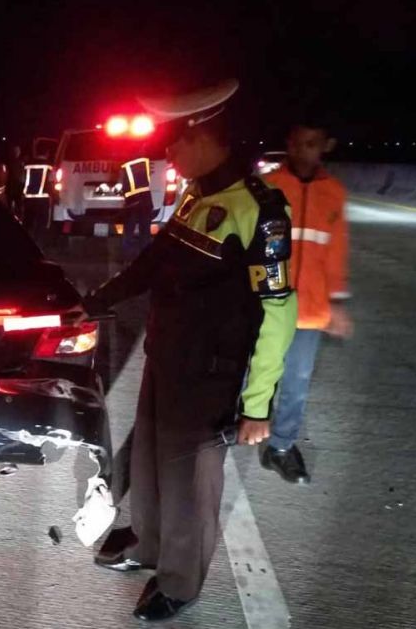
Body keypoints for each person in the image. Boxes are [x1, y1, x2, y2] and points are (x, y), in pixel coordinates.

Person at [82, 79, 297, 623]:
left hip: (211, 378)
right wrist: (97, 299)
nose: (170, 151)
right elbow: (154, 263)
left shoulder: (260, 211)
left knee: (190, 483)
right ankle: (148, 546)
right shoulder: (198, 196)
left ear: (210, 137)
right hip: (167, 359)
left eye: (178, 140)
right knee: (153, 465)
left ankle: (179, 580)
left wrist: (257, 404)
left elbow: (279, 309)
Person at [260, 118, 351, 484]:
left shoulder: (334, 194)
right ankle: (240, 427)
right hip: (266, 306)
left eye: (312, 143)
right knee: (253, 375)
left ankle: (280, 448)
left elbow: (336, 253)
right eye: (297, 143)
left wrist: (337, 303)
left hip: (309, 311)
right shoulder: (267, 187)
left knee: (296, 382)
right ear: (289, 143)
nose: (303, 151)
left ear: (325, 145)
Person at [119, 156, 155, 260]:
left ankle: (127, 257)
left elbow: (122, 185)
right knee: (145, 231)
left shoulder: (126, 166)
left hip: (132, 203)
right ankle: (145, 257)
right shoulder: (144, 161)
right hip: (146, 201)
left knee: (128, 231)